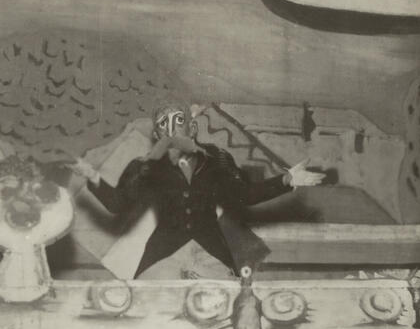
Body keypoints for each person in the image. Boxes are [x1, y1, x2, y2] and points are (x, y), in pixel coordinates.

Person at [73, 102, 324, 279]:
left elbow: (244, 195)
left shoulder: (216, 158)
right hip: (164, 253)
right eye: (164, 126)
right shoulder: (145, 167)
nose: (171, 131)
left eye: (178, 122)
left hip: (210, 251)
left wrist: (287, 180)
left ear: (192, 129)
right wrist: (92, 175)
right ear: (158, 135)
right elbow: (117, 204)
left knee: (227, 305)